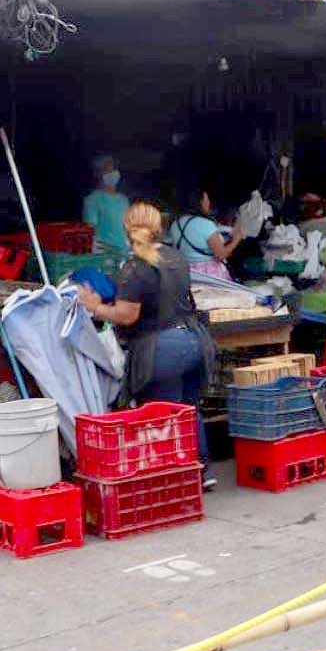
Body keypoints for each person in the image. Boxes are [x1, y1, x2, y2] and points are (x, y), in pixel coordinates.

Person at [79, 201, 219, 490]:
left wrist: (95, 307)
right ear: (159, 227)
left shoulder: (135, 268)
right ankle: (201, 471)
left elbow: (127, 316)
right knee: (189, 408)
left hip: (163, 349)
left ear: (127, 229)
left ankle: (173, 478)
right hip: (194, 340)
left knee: (162, 416)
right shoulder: (176, 256)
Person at [168, 189, 243, 281]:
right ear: (199, 203)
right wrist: (237, 239)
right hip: (208, 275)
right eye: (206, 200)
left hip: (185, 272)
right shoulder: (206, 224)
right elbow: (221, 255)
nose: (208, 203)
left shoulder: (176, 224)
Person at [82, 155, 131, 257]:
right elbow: (90, 233)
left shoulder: (124, 200)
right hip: (104, 257)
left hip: (125, 255)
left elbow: (127, 229)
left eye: (113, 169)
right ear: (98, 174)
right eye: (106, 170)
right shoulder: (92, 200)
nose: (111, 172)